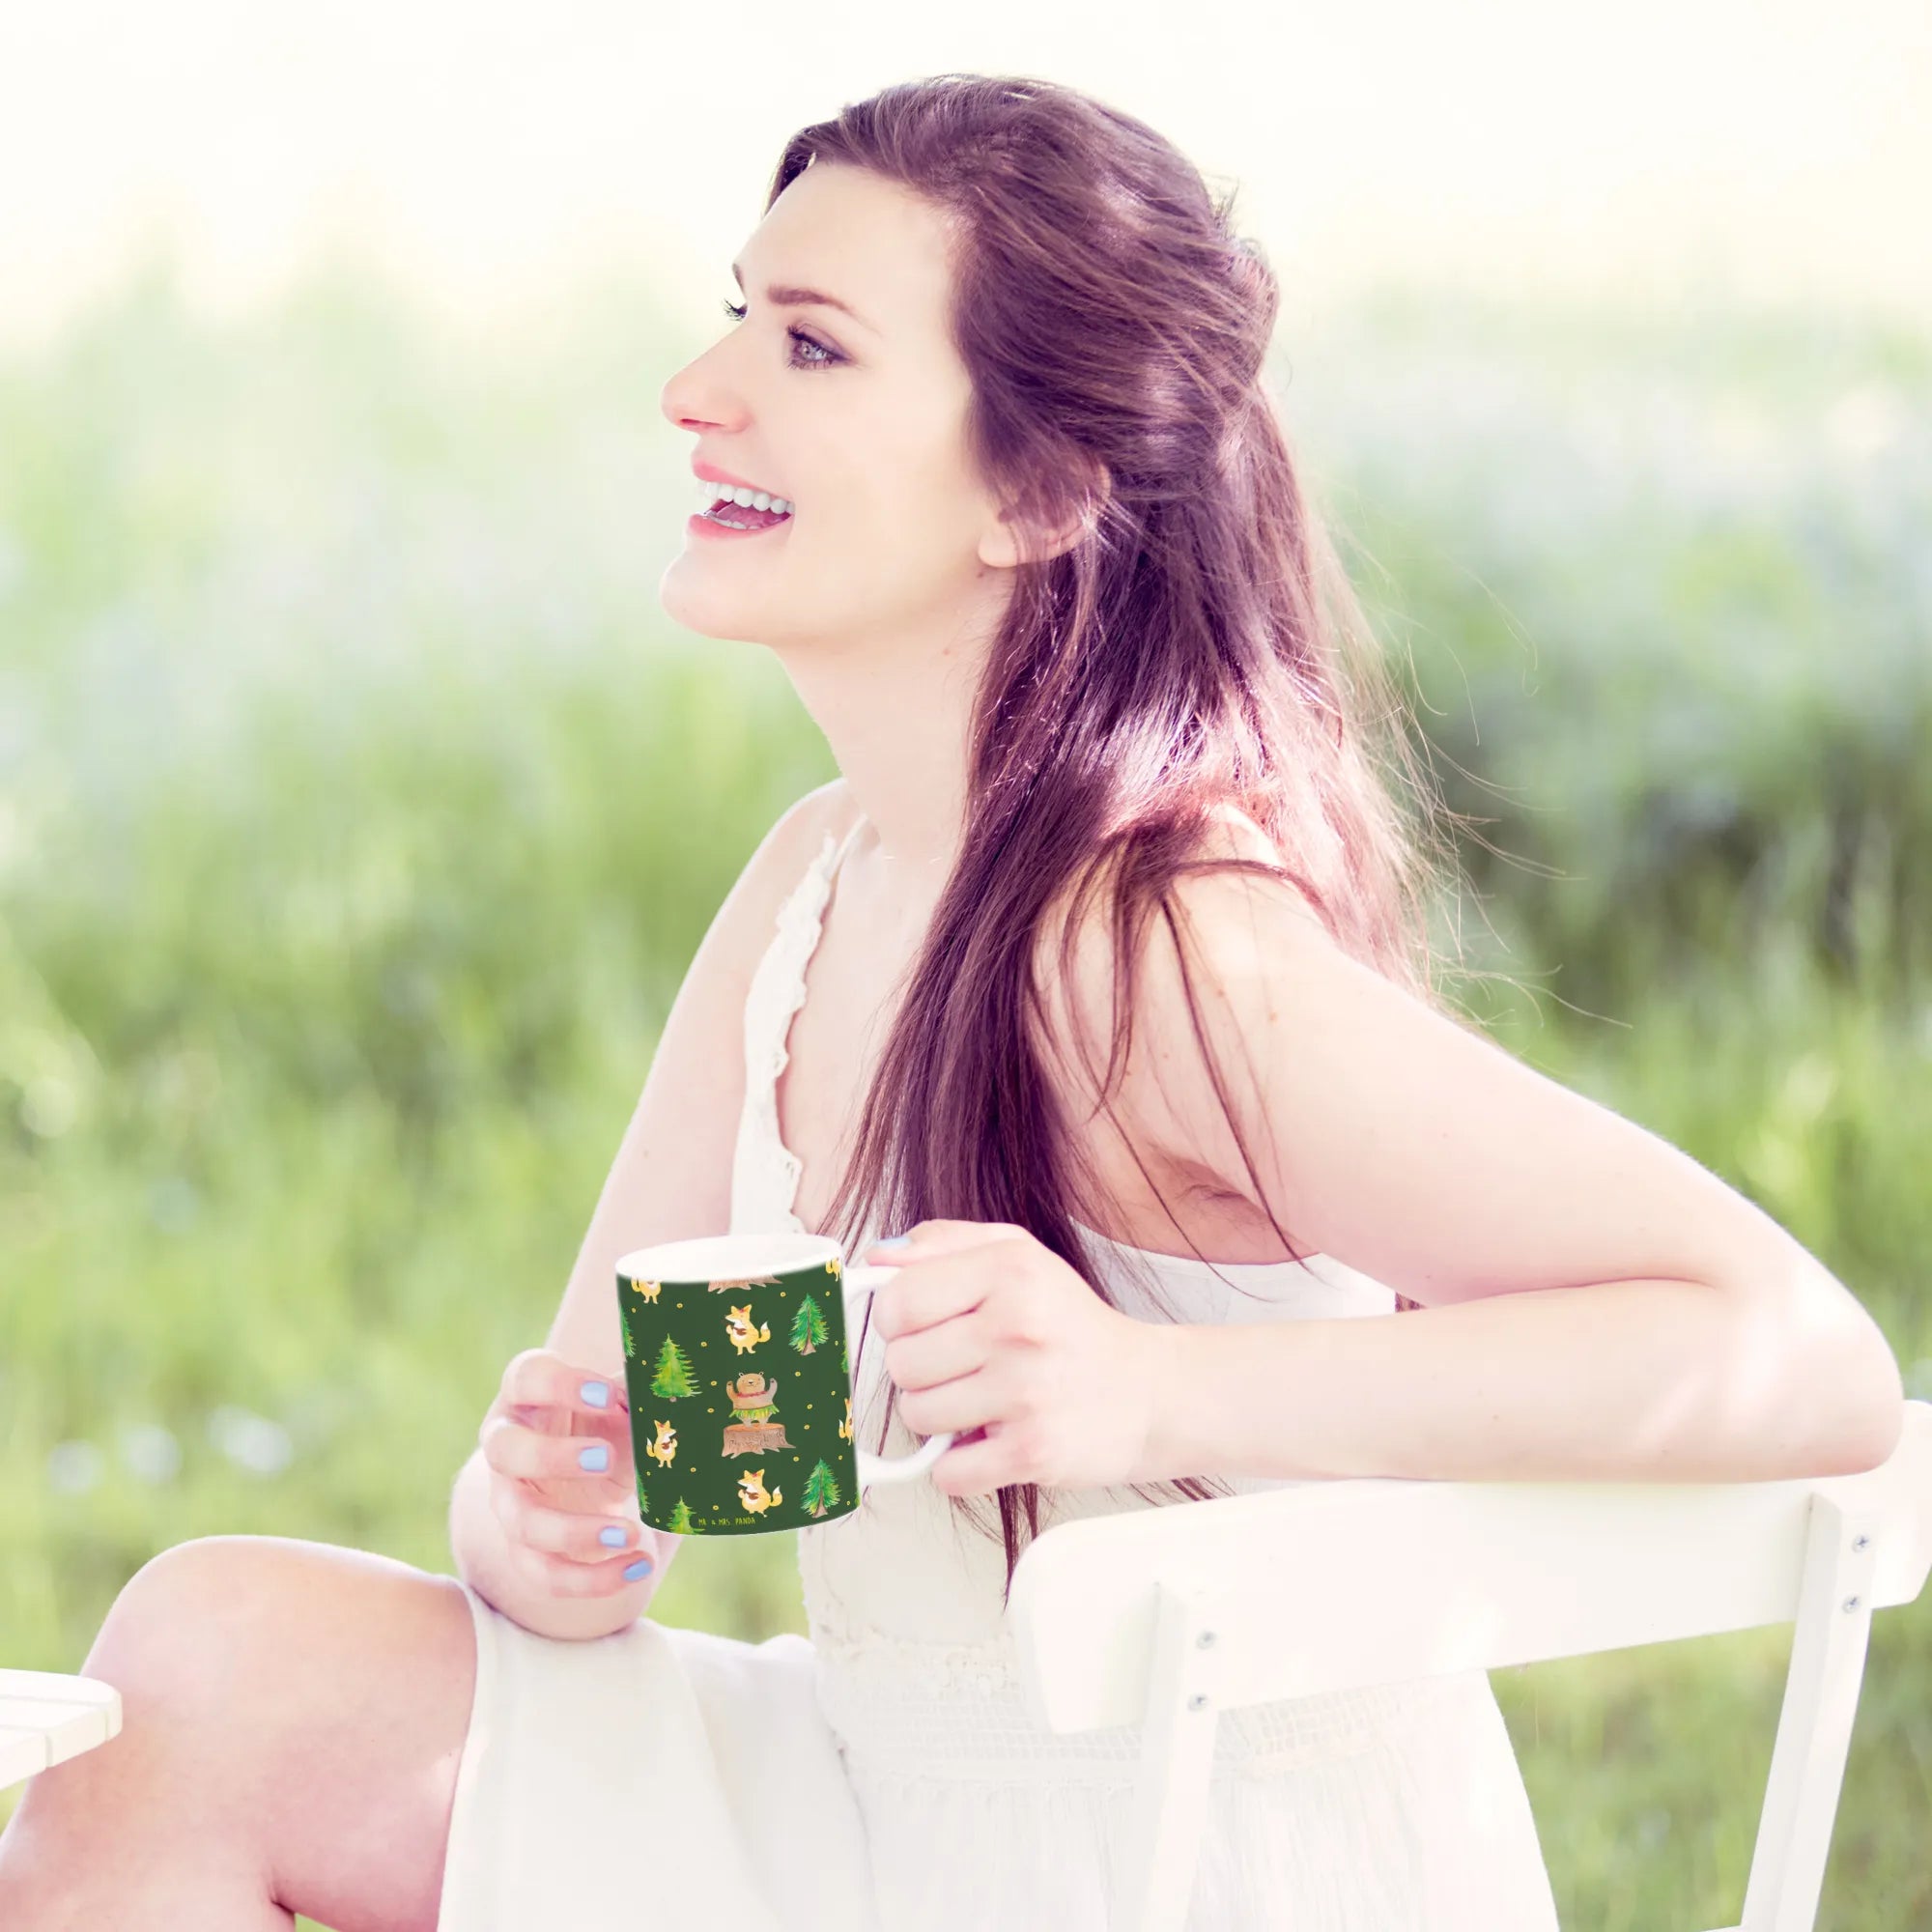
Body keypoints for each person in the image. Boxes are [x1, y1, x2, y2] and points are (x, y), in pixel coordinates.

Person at [0, 71, 1902, 1932]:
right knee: (204, 1668)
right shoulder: (814, 886)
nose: (697, 389)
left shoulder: (1155, 949)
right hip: (883, 1796)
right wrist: (544, 1524)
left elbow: (1795, 1355)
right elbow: (591, 1438)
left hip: (1179, 1854)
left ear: (1038, 489)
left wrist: (1149, 1385)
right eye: (735, 313)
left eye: (811, 346)